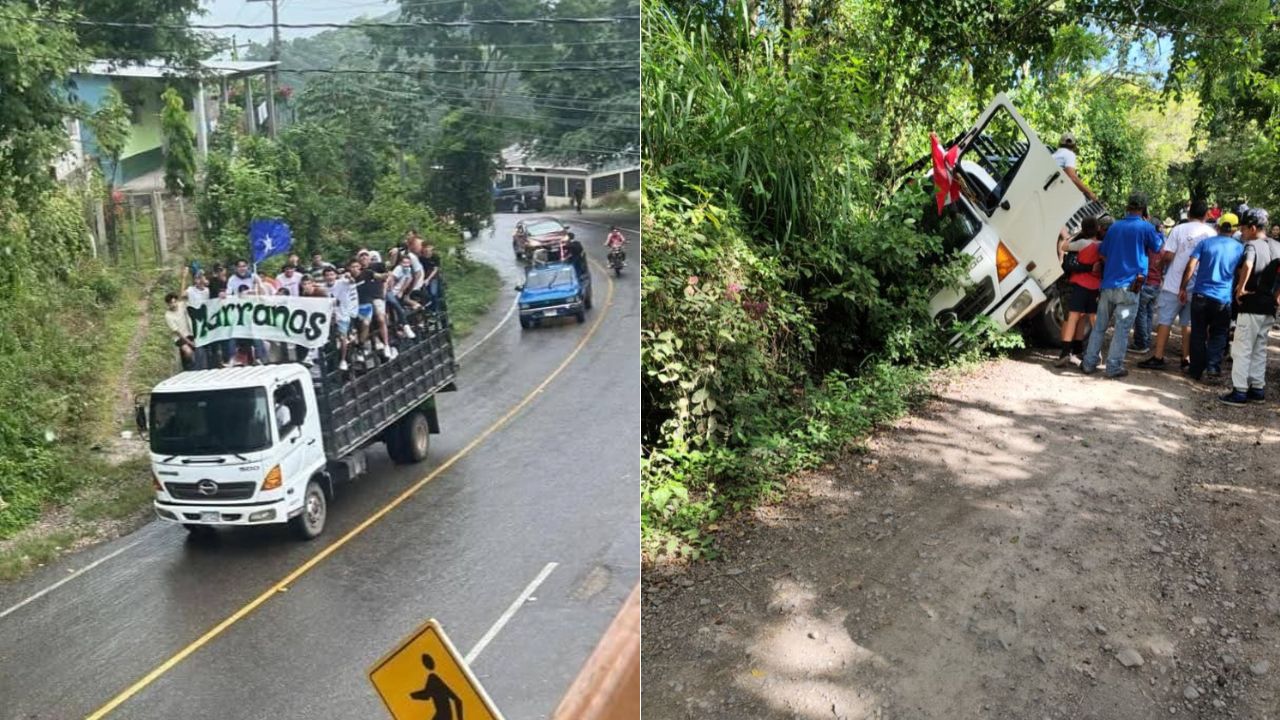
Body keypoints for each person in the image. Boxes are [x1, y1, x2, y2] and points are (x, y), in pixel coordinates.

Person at [1081, 193, 1163, 378]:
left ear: (1127, 207)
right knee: (1122, 328)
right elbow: (1157, 247)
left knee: (1100, 326)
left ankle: (1089, 363)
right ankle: (1113, 367)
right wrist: (1156, 229)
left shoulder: (1115, 227)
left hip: (1108, 286)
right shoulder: (1146, 227)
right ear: (1143, 209)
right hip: (1129, 290)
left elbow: (1102, 251)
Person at [1139, 201, 1216, 371]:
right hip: (1197, 286)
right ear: (1206, 215)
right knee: (1187, 323)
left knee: (1165, 320)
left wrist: (1159, 268)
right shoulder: (1211, 233)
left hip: (1174, 283)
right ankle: (1185, 358)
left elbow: (1168, 255)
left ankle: (1159, 356)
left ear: (1189, 215)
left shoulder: (1179, 229)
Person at [1222, 208, 1280, 404]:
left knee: (1242, 347)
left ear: (1253, 228)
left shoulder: (1252, 246)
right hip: (1269, 306)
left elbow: (1247, 265)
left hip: (1252, 304)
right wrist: (1277, 296)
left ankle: (1239, 390)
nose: (1243, 233)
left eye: (1244, 229)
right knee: (1260, 348)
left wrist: (1240, 289)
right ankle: (1258, 388)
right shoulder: (1277, 246)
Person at [1181, 212, 1244, 382]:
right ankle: (1213, 368)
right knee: (1219, 333)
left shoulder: (1205, 243)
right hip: (1222, 298)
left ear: (1217, 226)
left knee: (1198, 333)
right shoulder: (1240, 248)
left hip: (1200, 295)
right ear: (1235, 229)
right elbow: (1241, 272)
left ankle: (1195, 370)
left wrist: (1182, 287)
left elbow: (1191, 265)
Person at [1055, 216, 1104, 366]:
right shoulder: (1102, 245)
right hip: (1095, 286)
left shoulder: (1082, 243)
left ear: (1083, 229)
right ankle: (1097, 352)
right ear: (1098, 229)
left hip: (1079, 284)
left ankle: (1065, 352)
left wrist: (1071, 236)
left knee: (1073, 318)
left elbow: (1064, 246)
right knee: (1094, 320)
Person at [1131, 218, 1167, 354]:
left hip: (1145, 283)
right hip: (1156, 284)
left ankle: (1141, 343)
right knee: (1149, 314)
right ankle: (1146, 341)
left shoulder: (1147, 245)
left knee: (1140, 314)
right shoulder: (1163, 244)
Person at [354, 251, 395, 361]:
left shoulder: (376, 267)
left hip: (376, 296)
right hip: (363, 300)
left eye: (365, 256)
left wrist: (386, 283)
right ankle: (367, 345)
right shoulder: (356, 271)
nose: (363, 258)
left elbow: (388, 271)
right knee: (365, 322)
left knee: (381, 318)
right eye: (361, 256)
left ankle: (386, 344)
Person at [324, 266, 359, 371]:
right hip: (330, 317)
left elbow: (352, 282)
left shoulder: (342, 283)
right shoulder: (322, 288)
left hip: (343, 315)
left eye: (331, 274)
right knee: (329, 340)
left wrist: (349, 276)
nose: (329, 277)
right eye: (327, 275)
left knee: (342, 337)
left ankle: (343, 360)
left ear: (335, 275)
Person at [164, 286, 201, 371]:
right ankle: (189, 367)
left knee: (197, 350)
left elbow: (183, 295)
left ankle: (193, 365)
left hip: (189, 332)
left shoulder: (181, 305)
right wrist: (190, 343)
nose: (173, 305)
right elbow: (177, 332)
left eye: (174, 302)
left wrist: (184, 276)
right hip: (179, 337)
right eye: (171, 303)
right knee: (188, 351)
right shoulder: (168, 315)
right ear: (168, 304)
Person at [1051, 133, 1098, 202]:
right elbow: (1073, 177)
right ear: (1074, 146)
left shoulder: (1055, 155)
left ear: (1059, 143)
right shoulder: (1069, 154)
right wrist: (1090, 193)